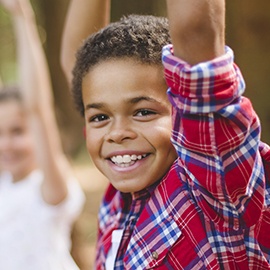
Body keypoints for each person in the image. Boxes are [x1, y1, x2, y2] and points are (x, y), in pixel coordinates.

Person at [61, 0, 270, 269]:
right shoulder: (119, 197)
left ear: (184, 115)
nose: (117, 133)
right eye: (101, 117)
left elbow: (196, 29)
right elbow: (80, 65)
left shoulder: (213, 187)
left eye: (143, 112)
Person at [0, 0, 85, 269]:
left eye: (17, 131)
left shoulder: (47, 189)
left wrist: (22, 18)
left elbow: (38, 109)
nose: (5, 144)